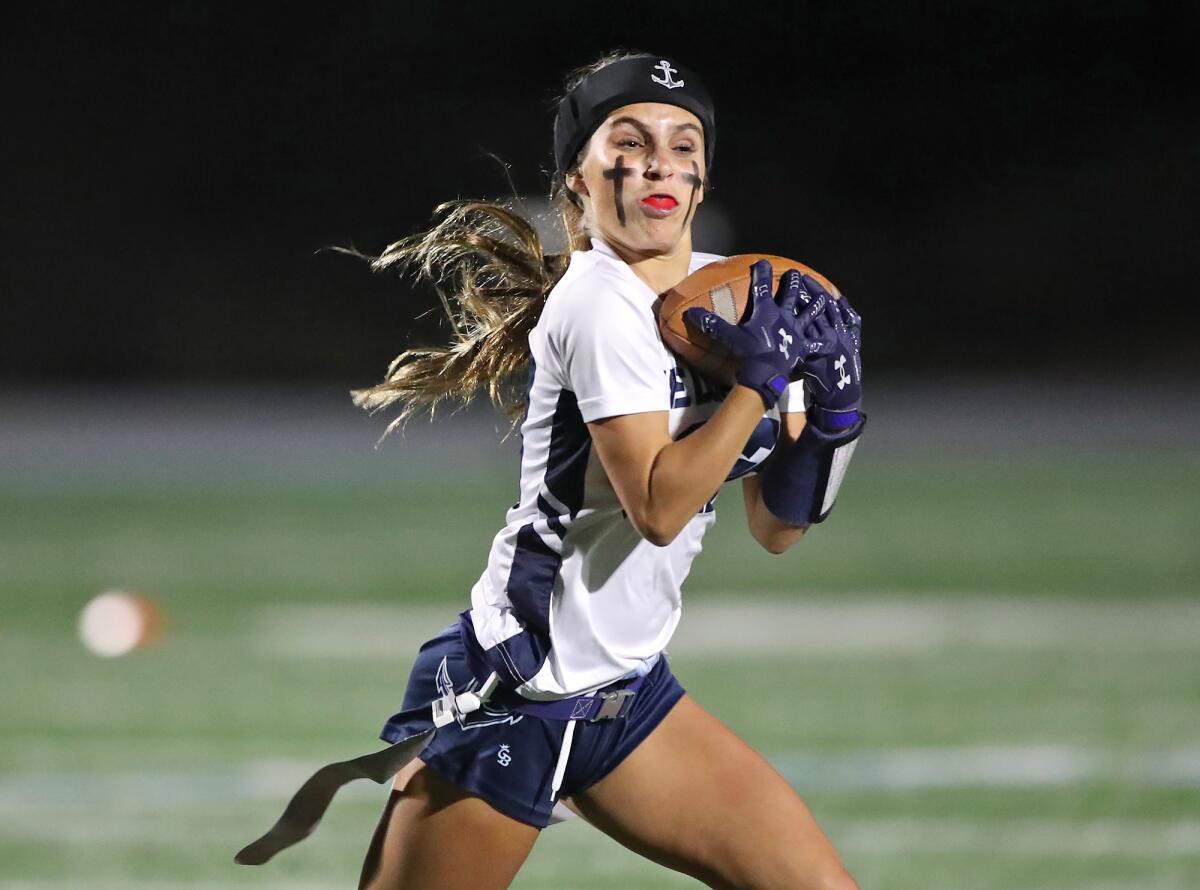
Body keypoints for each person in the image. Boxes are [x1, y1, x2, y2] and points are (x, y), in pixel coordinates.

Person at [243, 50, 865, 890]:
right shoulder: (598, 303)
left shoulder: (726, 305)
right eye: (630, 139)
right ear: (577, 174)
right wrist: (758, 389)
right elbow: (656, 506)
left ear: (704, 179)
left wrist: (831, 423)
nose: (659, 162)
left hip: (626, 694)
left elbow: (776, 528)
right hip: (521, 691)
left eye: (684, 145)